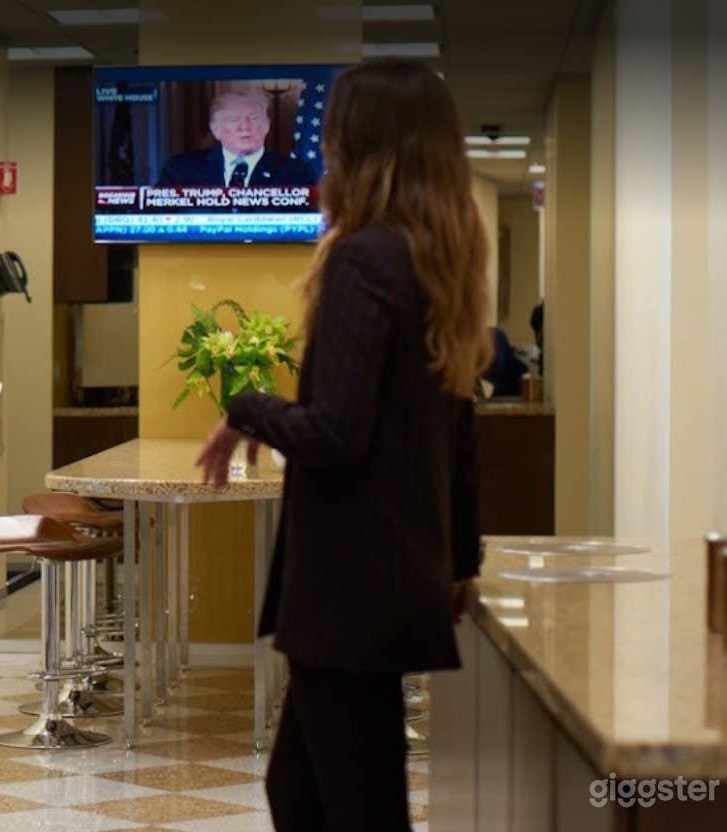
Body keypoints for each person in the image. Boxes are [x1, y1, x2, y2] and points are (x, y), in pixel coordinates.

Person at [194, 57, 490, 831]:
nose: (323, 147)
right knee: (299, 795)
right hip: (395, 577)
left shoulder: (365, 257)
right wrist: (460, 558)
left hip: (349, 589)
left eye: (332, 131)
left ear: (361, 143)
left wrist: (247, 405)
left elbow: (334, 433)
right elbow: (459, 432)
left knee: (358, 810)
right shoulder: (438, 259)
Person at [156, 91, 316, 188]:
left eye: (253, 118)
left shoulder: (297, 173)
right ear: (215, 129)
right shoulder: (180, 170)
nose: (244, 127)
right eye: (233, 120)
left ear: (267, 125)